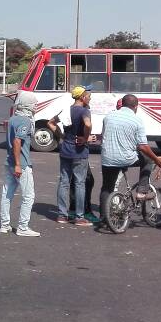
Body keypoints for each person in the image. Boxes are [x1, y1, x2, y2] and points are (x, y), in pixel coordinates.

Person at [98, 94, 161, 221]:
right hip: (126, 158)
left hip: (108, 158)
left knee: (106, 187)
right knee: (148, 159)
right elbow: (143, 147)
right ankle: (141, 191)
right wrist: (157, 159)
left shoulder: (108, 117)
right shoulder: (137, 120)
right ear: (136, 106)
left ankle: (103, 219)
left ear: (122, 104)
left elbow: (104, 137)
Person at [48, 86, 94, 226]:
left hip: (65, 149)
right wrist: (86, 138)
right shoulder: (84, 111)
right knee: (80, 183)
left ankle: (62, 215)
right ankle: (79, 217)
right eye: (88, 96)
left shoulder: (67, 110)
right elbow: (87, 123)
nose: (90, 98)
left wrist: (62, 136)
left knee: (64, 182)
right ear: (82, 97)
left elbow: (50, 123)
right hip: (79, 151)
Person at [0, 91, 40, 237]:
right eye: (34, 104)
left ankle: (4, 225)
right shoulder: (25, 121)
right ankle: (23, 227)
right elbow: (17, 141)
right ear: (28, 105)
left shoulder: (12, 119)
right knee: (28, 196)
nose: (35, 107)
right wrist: (18, 164)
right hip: (21, 163)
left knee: (7, 193)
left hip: (9, 161)